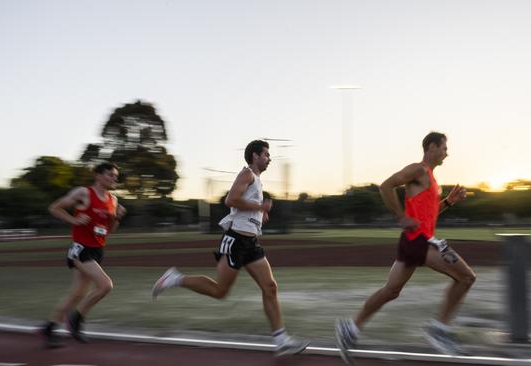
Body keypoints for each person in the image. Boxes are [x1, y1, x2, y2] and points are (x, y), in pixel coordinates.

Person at [152, 140, 309, 357]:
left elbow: (246, 206)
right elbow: (230, 200)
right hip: (235, 241)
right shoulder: (247, 174)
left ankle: (281, 340)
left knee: (270, 287)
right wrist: (260, 207)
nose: (269, 158)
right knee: (220, 291)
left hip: (252, 243)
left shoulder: (258, 181)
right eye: (266, 154)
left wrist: (259, 216)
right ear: (255, 156)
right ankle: (174, 278)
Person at [335, 132, 475, 362]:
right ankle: (439, 329)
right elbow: (386, 186)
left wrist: (449, 202)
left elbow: (428, 215)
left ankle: (350, 328)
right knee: (467, 277)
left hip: (415, 240)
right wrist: (400, 216)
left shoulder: (431, 179)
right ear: (431, 147)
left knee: (391, 291)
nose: (446, 153)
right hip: (419, 241)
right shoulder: (418, 170)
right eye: (443, 148)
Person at [40, 162, 126, 348]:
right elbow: (54, 207)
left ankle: (50, 327)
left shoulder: (113, 200)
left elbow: (108, 230)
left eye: (115, 176)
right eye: (110, 175)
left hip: (97, 249)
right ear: (98, 175)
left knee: (77, 294)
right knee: (105, 285)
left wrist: (117, 217)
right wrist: (74, 219)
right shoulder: (83, 193)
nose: (114, 179)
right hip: (80, 249)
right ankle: (76, 319)